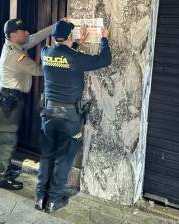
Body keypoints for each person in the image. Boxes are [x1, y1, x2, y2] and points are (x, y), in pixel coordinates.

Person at [35, 20, 112, 212]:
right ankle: (53, 200)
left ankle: (40, 198)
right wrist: (104, 39)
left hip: (49, 113)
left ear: (53, 38)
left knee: (47, 156)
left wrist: (76, 43)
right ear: (70, 36)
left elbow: (63, 56)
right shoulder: (75, 58)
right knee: (64, 158)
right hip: (69, 116)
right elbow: (104, 60)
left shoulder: (45, 53)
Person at [0, 19, 53, 190]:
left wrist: (55, 27)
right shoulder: (15, 55)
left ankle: (1, 170)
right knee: (8, 139)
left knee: (7, 137)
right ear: (13, 35)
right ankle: (2, 178)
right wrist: (60, 64)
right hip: (9, 99)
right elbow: (37, 70)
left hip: (10, 97)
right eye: (22, 31)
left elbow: (34, 37)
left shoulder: (16, 45)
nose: (27, 32)